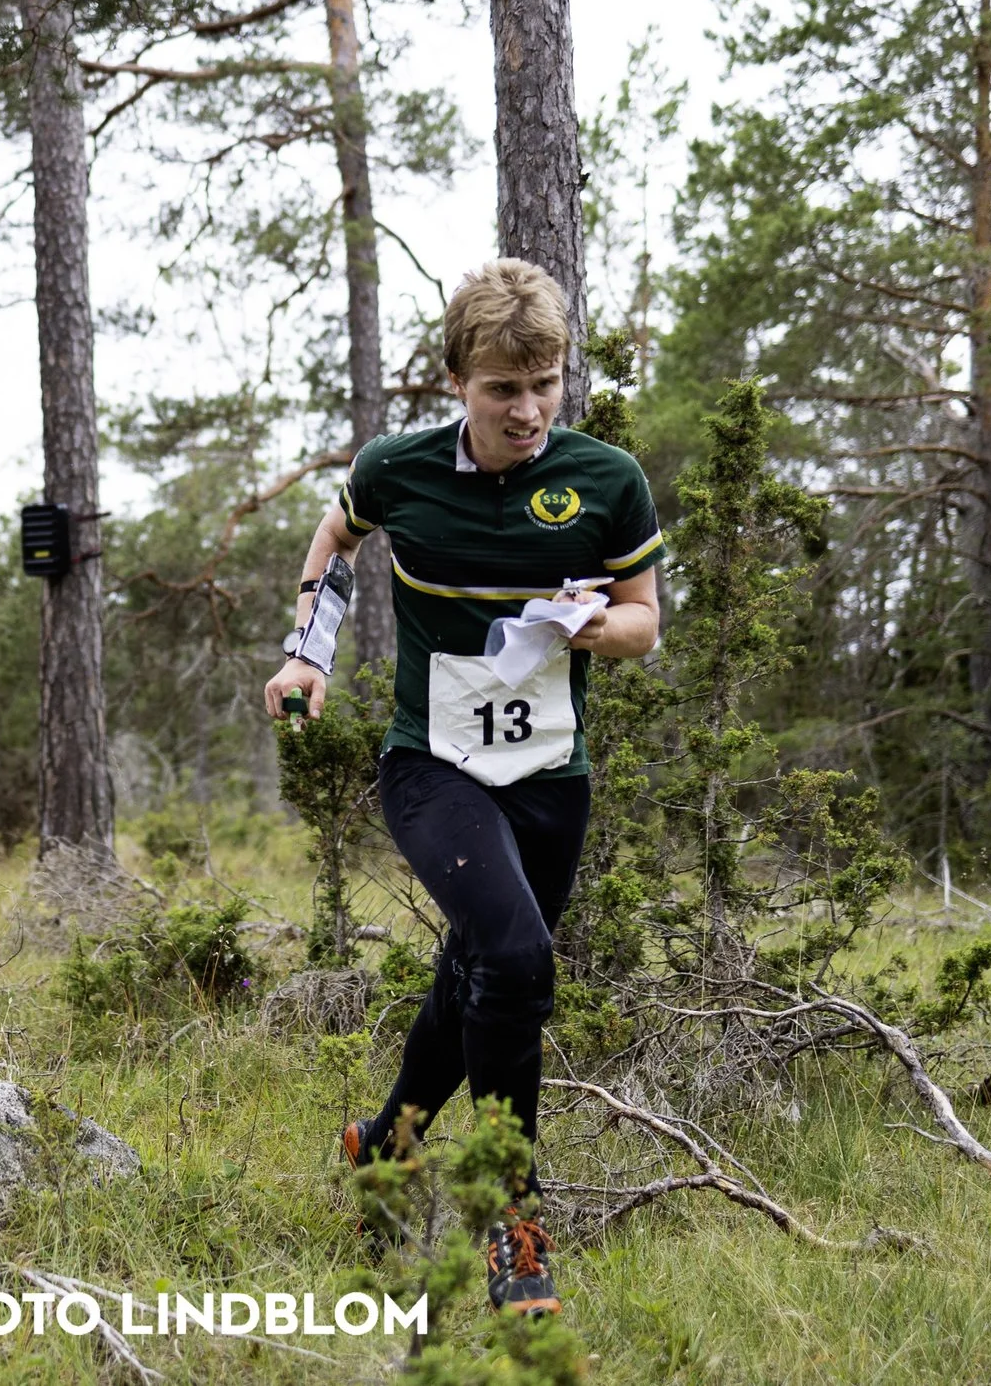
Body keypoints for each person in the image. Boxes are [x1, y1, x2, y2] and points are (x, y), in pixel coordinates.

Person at [263, 260, 663, 1319]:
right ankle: (510, 1221)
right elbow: (334, 539)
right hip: (430, 764)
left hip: (548, 775)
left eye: (544, 380)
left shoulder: (607, 478)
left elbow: (642, 623)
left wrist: (587, 624)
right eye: (501, 387)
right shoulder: (397, 469)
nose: (527, 408)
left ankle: (383, 1139)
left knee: (479, 967)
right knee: (519, 956)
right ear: (456, 381)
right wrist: (308, 652)